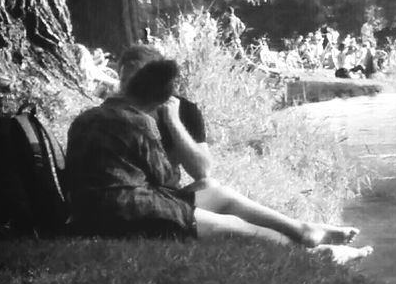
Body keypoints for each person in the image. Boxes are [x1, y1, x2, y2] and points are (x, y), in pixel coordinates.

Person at [67, 48, 371, 261]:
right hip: (124, 214)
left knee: (215, 192)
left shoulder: (89, 116)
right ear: (155, 100)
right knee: (237, 228)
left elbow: (190, 178)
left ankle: (303, 231)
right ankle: (314, 255)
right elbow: (167, 182)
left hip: (97, 208)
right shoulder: (138, 121)